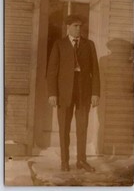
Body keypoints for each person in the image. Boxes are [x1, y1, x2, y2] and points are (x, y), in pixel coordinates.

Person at [47, 14, 100, 172]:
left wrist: (95, 93)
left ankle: (81, 161)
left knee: (82, 127)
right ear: (68, 27)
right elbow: (52, 72)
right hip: (64, 92)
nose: (78, 29)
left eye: (80, 26)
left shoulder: (89, 45)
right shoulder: (59, 45)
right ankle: (64, 161)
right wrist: (52, 93)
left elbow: (95, 71)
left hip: (83, 90)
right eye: (75, 26)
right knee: (64, 128)